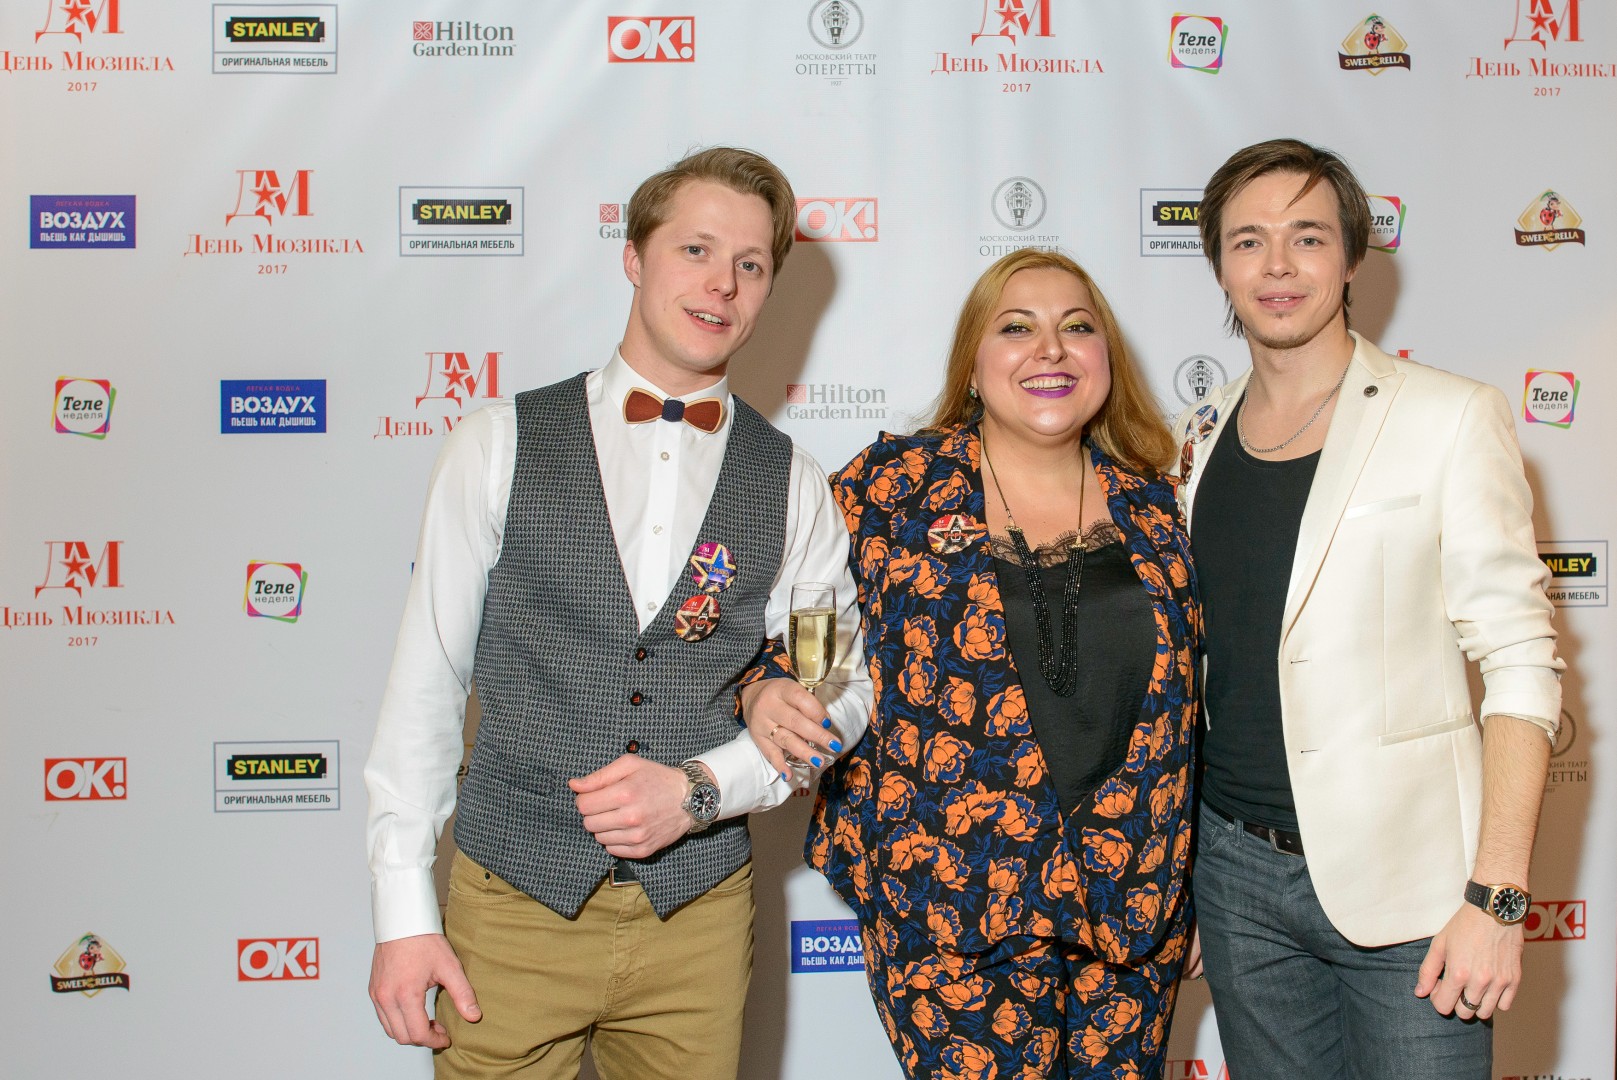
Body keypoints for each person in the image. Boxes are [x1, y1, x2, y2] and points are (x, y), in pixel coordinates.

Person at [363, 146, 869, 1079]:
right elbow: (425, 684)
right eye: (695, 250)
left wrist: (704, 788)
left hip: (698, 923)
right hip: (509, 908)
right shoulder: (495, 444)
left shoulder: (793, 484)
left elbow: (835, 691)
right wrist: (401, 910)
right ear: (634, 257)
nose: (722, 284)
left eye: (750, 264)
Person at [758, 247, 1200, 1078]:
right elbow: (796, 625)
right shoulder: (890, 490)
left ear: (1106, 356)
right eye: (1016, 328)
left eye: (1077, 327)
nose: (1050, 349)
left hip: (1130, 906)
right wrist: (770, 687)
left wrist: (1192, 883)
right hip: (949, 904)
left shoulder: (1157, 505)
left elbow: (1194, 714)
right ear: (971, 363)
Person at [1175, 137, 1563, 1079]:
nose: (1277, 266)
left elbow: (1520, 666)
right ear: (1219, 266)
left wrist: (1497, 898)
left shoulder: (1448, 417)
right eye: (1248, 241)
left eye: (1306, 237)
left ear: (1352, 256)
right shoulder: (1197, 432)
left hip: (1416, 893)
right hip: (1235, 881)